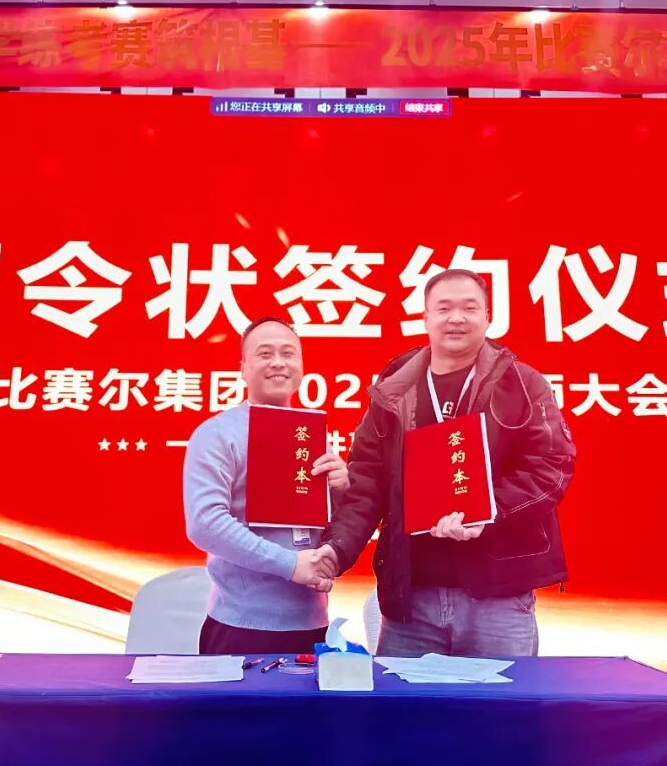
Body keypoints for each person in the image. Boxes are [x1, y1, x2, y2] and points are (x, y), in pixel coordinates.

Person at [314, 269, 576, 657]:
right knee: (405, 699)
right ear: (425, 318)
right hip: (412, 600)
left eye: (469, 308)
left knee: (502, 699)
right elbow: (367, 482)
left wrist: (488, 510)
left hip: (498, 598)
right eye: (443, 308)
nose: (456, 318)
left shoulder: (522, 384)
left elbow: (551, 467)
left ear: (487, 316)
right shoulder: (394, 390)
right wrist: (336, 549)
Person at [184, 316, 348, 655]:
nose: (278, 362)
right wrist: (290, 565)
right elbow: (205, 524)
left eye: (288, 353)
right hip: (241, 628)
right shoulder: (217, 434)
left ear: (301, 365)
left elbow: (328, 524)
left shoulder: (314, 437)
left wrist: (341, 490)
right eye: (264, 353)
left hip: (313, 623)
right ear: (243, 368)